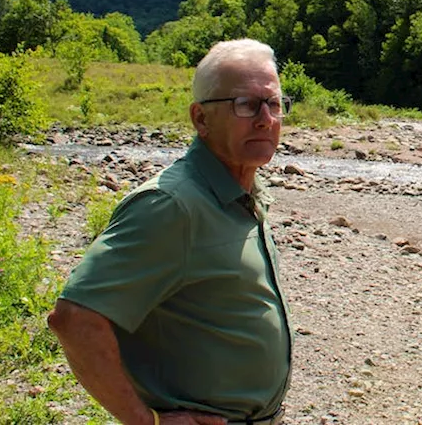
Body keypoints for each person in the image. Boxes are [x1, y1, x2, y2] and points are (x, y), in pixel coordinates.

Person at [48, 39, 292, 425]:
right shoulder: (171, 205)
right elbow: (75, 319)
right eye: (245, 104)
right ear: (201, 119)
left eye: (274, 103)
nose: (265, 119)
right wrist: (147, 421)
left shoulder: (243, 191)